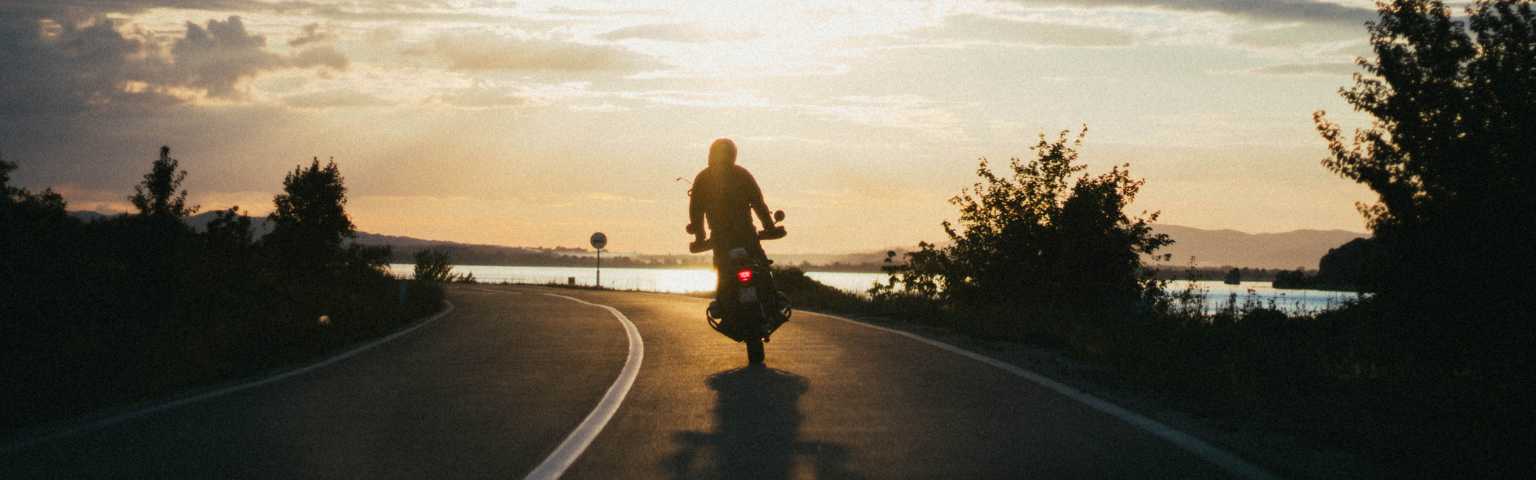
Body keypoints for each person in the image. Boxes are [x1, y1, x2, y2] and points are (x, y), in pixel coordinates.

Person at [688, 138, 778, 295]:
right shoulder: (742, 174)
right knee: (761, 267)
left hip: (721, 238)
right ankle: (771, 301)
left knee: (723, 274)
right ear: (733, 154)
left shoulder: (702, 178)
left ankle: (726, 306)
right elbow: (759, 205)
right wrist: (769, 227)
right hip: (746, 235)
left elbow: (696, 212)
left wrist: (699, 237)